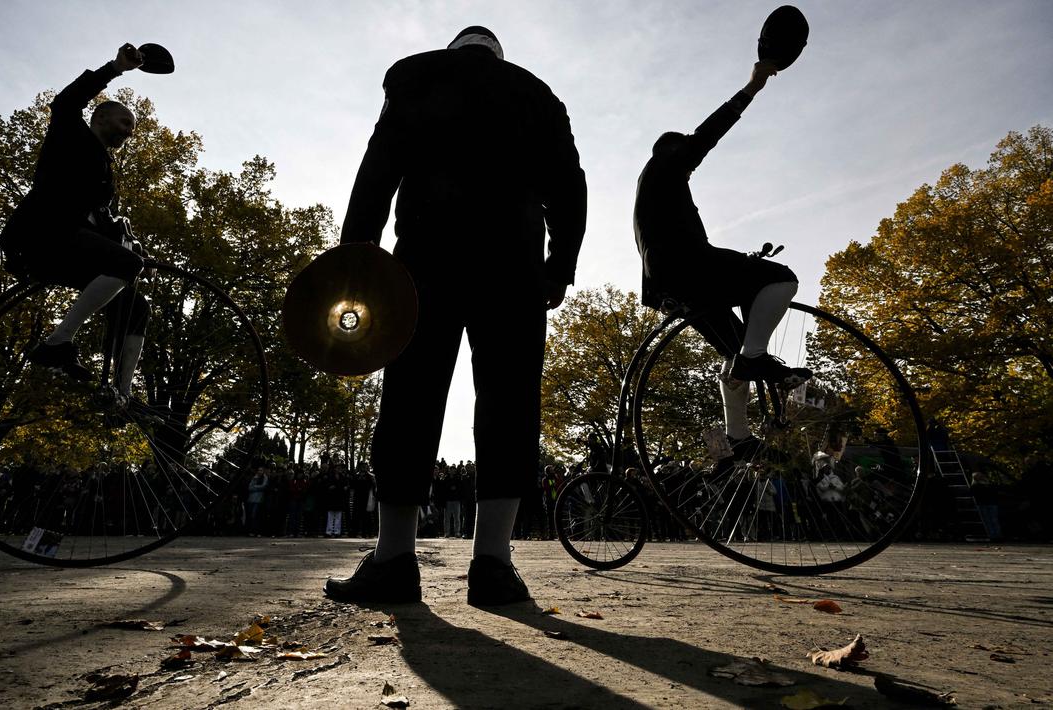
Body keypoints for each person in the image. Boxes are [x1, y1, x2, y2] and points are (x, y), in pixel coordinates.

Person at [324, 25, 586, 606]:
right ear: (498, 54)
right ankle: (492, 563)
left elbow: (377, 171)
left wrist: (357, 256)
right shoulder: (537, 94)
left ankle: (394, 559)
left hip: (426, 258)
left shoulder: (414, 78)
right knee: (510, 401)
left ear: (455, 49)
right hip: (512, 262)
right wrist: (559, 266)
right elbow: (570, 187)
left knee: (411, 397)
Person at [633, 59, 811, 460]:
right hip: (691, 268)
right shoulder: (667, 162)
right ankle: (755, 359)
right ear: (672, 148)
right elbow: (705, 137)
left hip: (675, 283)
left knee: (734, 353)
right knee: (781, 279)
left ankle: (739, 437)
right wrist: (752, 88)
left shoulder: (653, 194)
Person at [0, 44, 153, 399]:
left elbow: (99, 220)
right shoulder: (70, 134)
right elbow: (66, 102)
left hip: (68, 244)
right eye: (125, 121)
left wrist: (125, 236)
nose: (129, 130)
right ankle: (58, 341)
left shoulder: (103, 174)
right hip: (40, 235)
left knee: (135, 303)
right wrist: (115, 68)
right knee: (127, 264)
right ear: (100, 118)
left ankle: (123, 394)